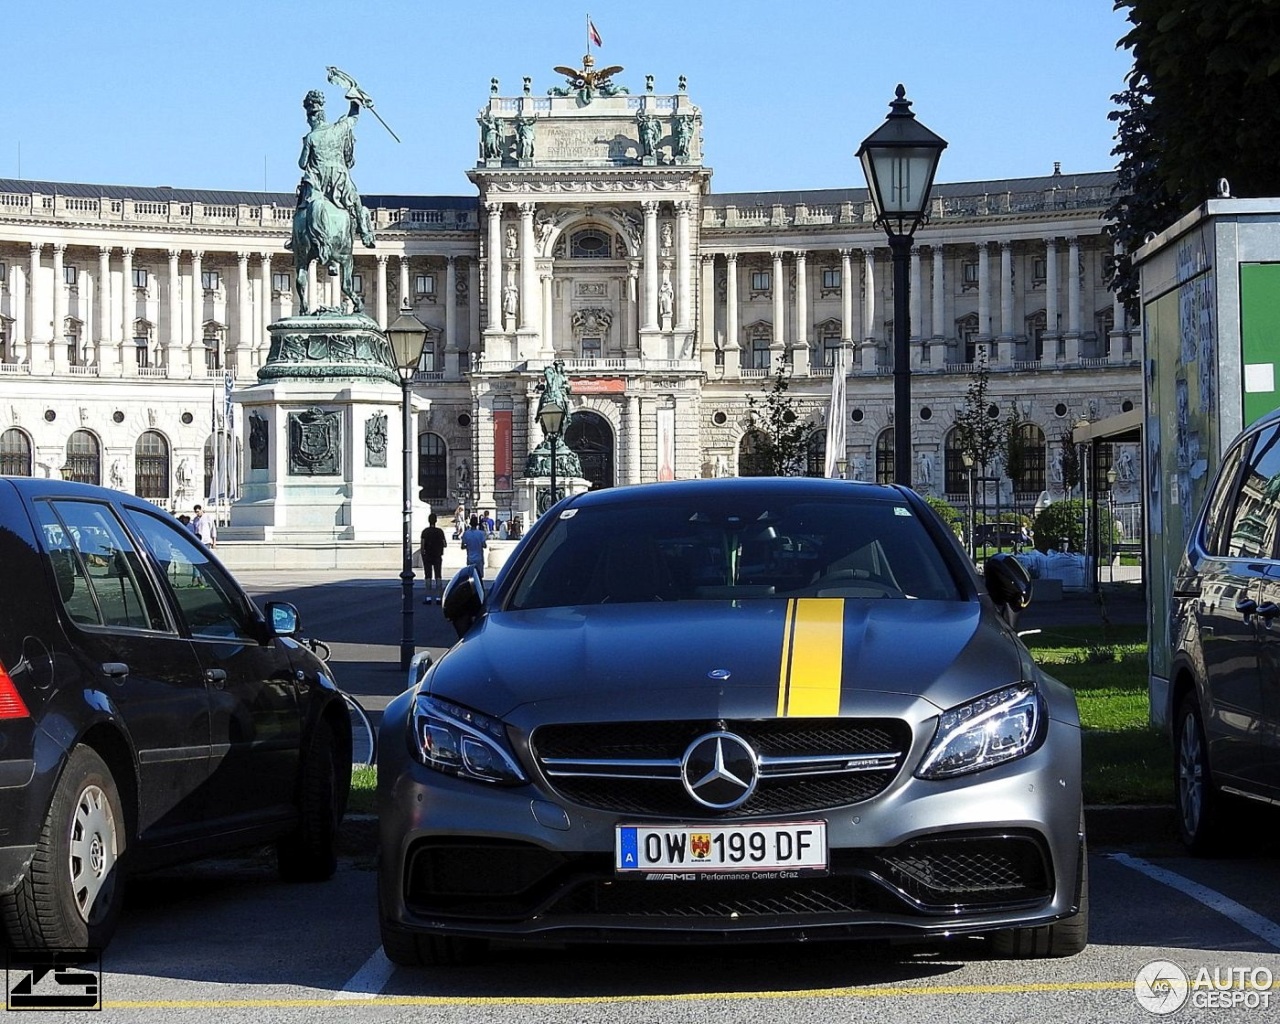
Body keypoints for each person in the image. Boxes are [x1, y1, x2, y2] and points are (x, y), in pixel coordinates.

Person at [296, 86, 376, 249]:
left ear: (313, 118)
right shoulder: (338, 129)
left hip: (318, 180)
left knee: (302, 206)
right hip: (339, 177)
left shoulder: (311, 137)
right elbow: (353, 116)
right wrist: (356, 98)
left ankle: (295, 238)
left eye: (309, 117)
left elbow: (302, 164)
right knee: (354, 200)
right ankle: (365, 231)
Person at [419, 513, 447, 604]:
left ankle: (428, 597)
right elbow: (445, 544)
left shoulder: (425, 531)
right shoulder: (440, 531)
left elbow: (422, 545)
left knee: (428, 576)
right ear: (436, 521)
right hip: (437, 555)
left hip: (427, 555)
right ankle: (439, 598)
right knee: (438, 576)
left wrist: (423, 552)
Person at [460, 514, 488, 581]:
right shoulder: (481, 533)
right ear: (477, 524)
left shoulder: (466, 533)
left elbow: (462, 546)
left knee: (470, 577)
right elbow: (484, 545)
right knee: (479, 576)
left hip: (470, 558)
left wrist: (468, 546)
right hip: (479, 558)